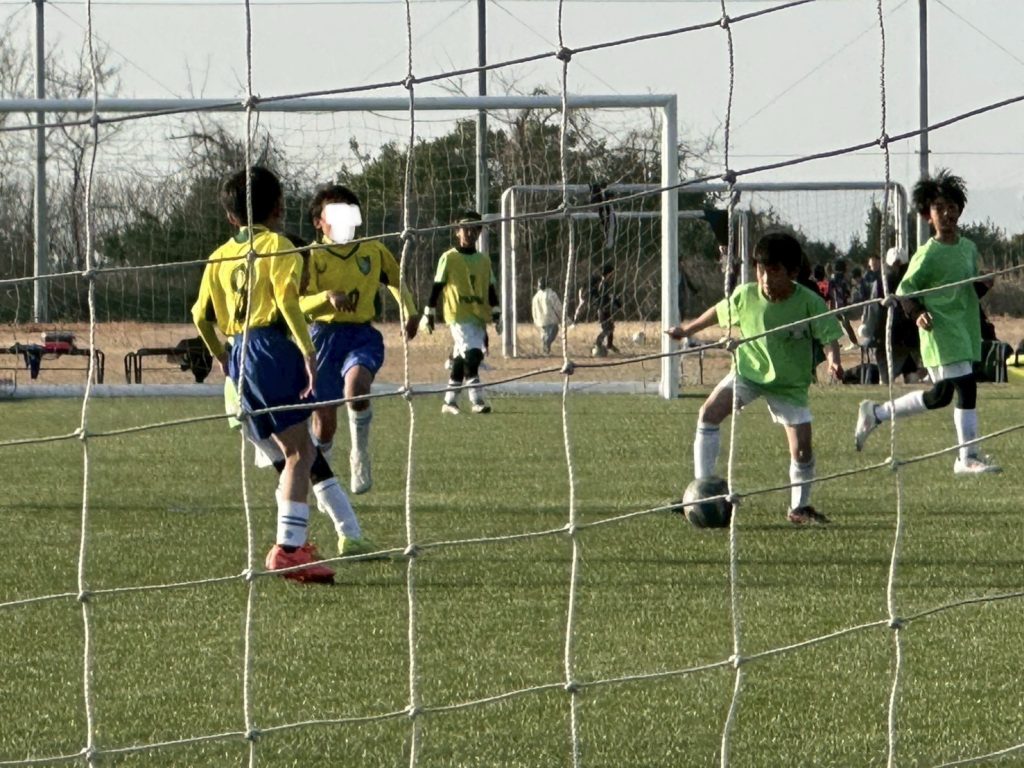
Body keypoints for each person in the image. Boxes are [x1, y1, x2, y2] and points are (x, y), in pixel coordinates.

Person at [192, 166, 334, 583]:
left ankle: (293, 544)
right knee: (300, 452)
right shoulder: (278, 246)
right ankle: (289, 550)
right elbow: (287, 302)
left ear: (230, 216)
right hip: (270, 346)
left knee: (293, 451)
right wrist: (308, 351)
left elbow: (200, 316)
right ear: (279, 207)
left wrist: (222, 355)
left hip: (239, 352)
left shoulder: (219, 257)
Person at [665, 232, 844, 525]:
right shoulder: (746, 295)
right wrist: (687, 330)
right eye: (761, 270)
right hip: (748, 373)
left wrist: (834, 361)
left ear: (793, 272)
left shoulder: (809, 302)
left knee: (802, 450)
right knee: (709, 413)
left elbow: (828, 337)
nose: (765, 279)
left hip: (789, 384)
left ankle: (799, 508)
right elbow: (718, 312)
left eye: (774, 271)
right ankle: (700, 492)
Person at [854, 169, 1000, 474]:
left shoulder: (968, 248)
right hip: (939, 330)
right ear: (927, 216)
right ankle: (967, 458)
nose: (947, 213)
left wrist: (984, 285)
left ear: (960, 209)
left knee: (940, 396)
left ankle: (877, 413)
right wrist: (917, 312)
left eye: (952, 207)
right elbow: (905, 291)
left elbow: (964, 290)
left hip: (964, 328)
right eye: (939, 208)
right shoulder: (927, 254)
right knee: (966, 386)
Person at [300, 184, 420, 503]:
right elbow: (297, 304)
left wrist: (409, 310)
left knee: (357, 388)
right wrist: (326, 298)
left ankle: (360, 454)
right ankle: (321, 479)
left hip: (361, 335)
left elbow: (396, 281)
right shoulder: (311, 256)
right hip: (322, 338)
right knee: (324, 424)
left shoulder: (372, 250)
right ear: (318, 222)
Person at [424, 210, 499, 415]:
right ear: (457, 231)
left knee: (461, 359)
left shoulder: (483, 260)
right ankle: (477, 400)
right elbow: (437, 286)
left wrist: (496, 312)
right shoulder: (449, 258)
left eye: (475, 229)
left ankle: (449, 401)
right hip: (457, 315)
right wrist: (429, 312)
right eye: (465, 229)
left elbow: (490, 288)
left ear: (479, 232)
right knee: (473, 355)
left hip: (478, 316)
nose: (470, 233)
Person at [869, 246, 922, 385]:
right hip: (898, 337)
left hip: (899, 337)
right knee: (899, 376)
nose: (897, 268)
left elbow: (872, 311)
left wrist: (870, 333)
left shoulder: (881, 283)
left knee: (900, 376)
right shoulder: (911, 281)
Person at [576, 262, 620, 356]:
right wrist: (609, 301)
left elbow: (607, 296)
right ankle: (597, 344)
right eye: (612, 273)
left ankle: (609, 345)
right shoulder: (602, 284)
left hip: (605, 308)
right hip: (602, 309)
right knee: (607, 329)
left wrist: (614, 301)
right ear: (608, 273)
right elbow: (601, 297)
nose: (613, 275)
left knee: (611, 327)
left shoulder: (605, 283)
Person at [531, 276, 562, 355]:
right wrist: (562, 317)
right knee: (553, 331)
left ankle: (546, 350)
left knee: (545, 333)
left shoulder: (536, 297)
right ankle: (546, 344)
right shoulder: (551, 294)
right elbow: (558, 307)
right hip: (551, 319)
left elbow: (534, 310)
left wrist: (535, 320)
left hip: (540, 320)